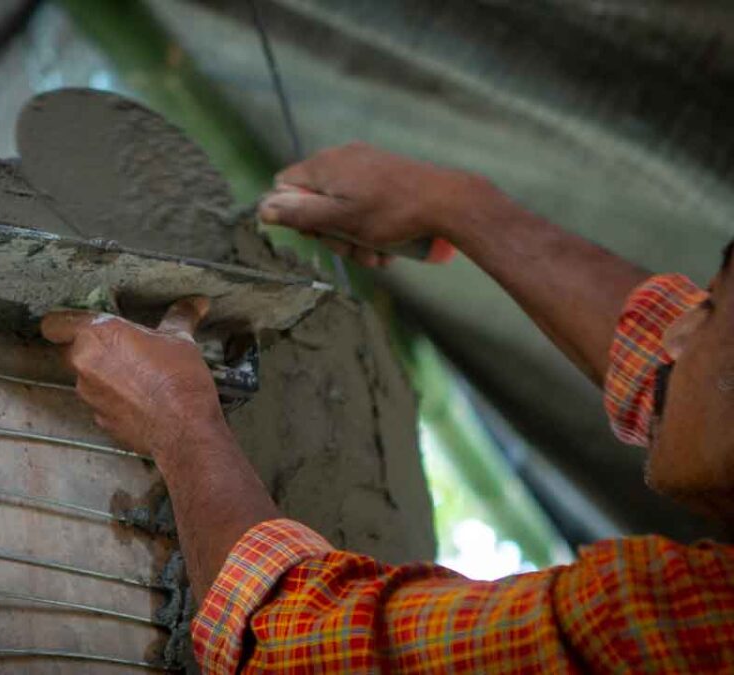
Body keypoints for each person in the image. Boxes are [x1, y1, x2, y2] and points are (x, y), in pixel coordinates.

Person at [42, 142, 734, 673]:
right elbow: (679, 378)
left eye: (708, 318)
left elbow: (307, 648)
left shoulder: (697, 629)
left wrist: (180, 421)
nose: (677, 330)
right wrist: (457, 203)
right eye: (705, 299)